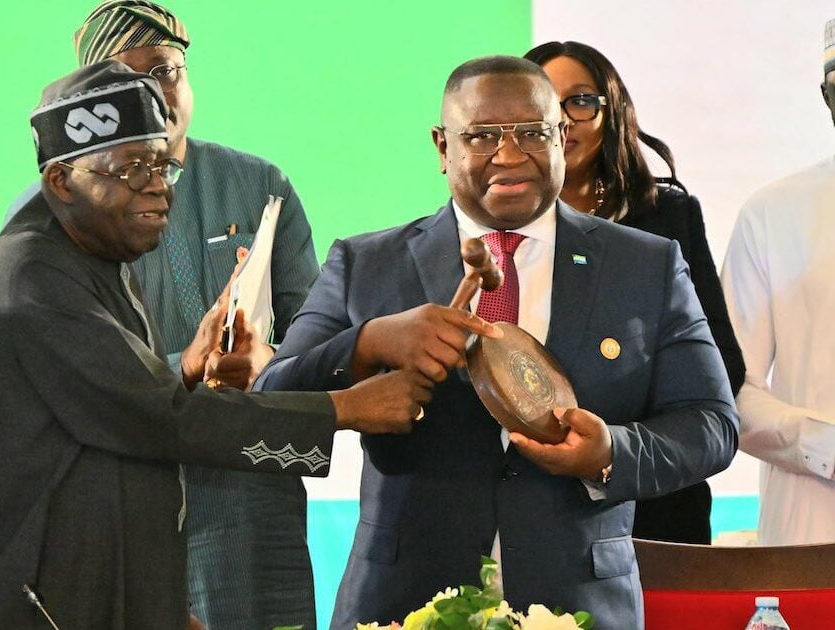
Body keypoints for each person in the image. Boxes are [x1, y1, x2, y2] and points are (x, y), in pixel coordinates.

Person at [0, 61, 436, 629]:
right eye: (130, 170)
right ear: (61, 182)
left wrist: (162, 610)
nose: (156, 186)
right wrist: (346, 407)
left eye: (162, 165)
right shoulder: (31, 274)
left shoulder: (93, 253)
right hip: (37, 604)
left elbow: (108, 425)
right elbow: (156, 419)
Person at [258, 55, 738, 629]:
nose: (510, 156)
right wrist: (369, 344)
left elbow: (712, 424)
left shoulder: (646, 265)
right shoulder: (366, 264)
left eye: (533, 133)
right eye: (481, 136)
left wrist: (610, 452)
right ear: (443, 147)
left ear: (561, 136)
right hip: (400, 603)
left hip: (581, 604)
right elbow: (269, 402)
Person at [5, 2, 325, 626]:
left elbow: (316, 338)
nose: (155, 94)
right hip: (129, 499)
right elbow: (79, 381)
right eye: (126, 84)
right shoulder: (53, 219)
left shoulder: (258, 183)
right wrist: (186, 365)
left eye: (167, 70)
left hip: (251, 495)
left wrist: (273, 361)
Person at [523, 41, 745, 544]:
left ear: (613, 109)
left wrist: (613, 445)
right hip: (529, 495)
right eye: (542, 102)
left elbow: (724, 367)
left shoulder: (666, 217)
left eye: (580, 101)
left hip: (653, 497)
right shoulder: (493, 223)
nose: (562, 120)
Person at [720, 18, 835, 546]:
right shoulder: (773, 214)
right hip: (812, 532)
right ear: (826, 96)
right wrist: (825, 446)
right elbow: (727, 389)